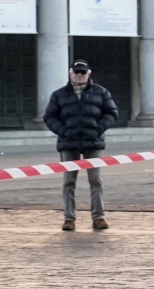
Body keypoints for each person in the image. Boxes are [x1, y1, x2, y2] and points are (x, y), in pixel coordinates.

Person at [44, 59, 119, 232]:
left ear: (89, 74)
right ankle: (69, 218)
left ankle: (98, 217)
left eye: (82, 72)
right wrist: (63, 131)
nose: (79, 75)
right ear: (70, 73)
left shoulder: (101, 92)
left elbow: (112, 112)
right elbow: (49, 116)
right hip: (68, 143)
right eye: (76, 72)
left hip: (93, 142)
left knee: (96, 181)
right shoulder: (59, 94)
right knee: (68, 182)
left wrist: (97, 129)